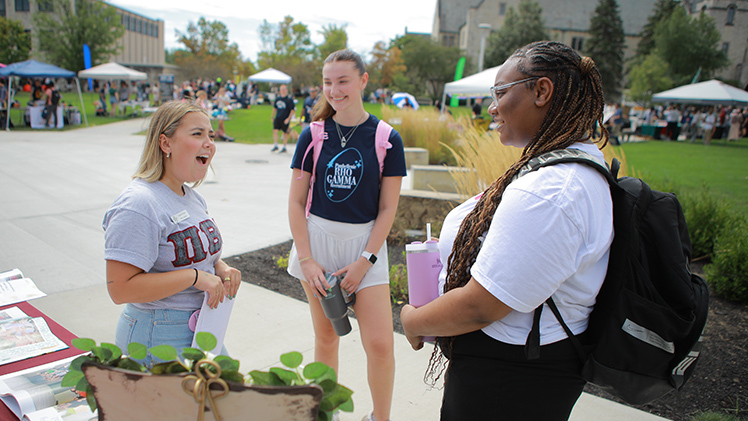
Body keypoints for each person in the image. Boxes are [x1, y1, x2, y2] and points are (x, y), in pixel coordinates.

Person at [400, 41, 614, 421]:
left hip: (509, 380)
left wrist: (413, 321)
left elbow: (482, 305)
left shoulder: (551, 191)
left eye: (500, 92)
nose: (492, 107)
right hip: (519, 369)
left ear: (541, 91)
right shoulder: (563, 165)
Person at [287, 49, 407, 421]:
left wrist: (364, 261)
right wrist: (306, 260)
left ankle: (380, 418)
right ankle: (326, 415)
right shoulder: (312, 136)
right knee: (326, 339)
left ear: (363, 81)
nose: (334, 90)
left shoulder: (387, 138)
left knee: (381, 345)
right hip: (317, 246)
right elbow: (295, 202)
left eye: (343, 81)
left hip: (365, 248)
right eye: (327, 82)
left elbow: (388, 209)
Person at [102, 100, 241, 366]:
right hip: (157, 336)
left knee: (227, 403)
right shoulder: (139, 204)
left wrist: (219, 267)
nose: (210, 143)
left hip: (201, 331)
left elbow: (187, 254)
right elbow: (120, 289)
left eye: (211, 135)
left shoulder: (191, 196)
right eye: (197, 134)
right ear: (165, 143)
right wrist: (196, 277)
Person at [271, 84, 295, 153]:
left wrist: (288, 118)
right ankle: (276, 145)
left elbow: (292, 110)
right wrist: (272, 116)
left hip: (285, 118)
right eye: (282, 89)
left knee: (285, 133)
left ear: (286, 90)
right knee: (275, 131)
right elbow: (275, 108)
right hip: (278, 117)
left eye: (284, 89)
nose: (283, 91)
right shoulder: (278, 99)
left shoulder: (289, 100)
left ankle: (284, 147)